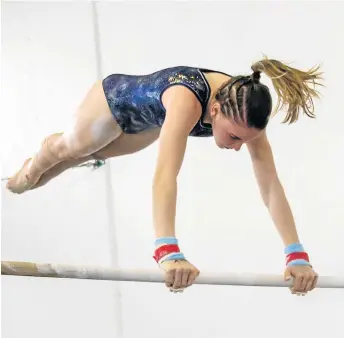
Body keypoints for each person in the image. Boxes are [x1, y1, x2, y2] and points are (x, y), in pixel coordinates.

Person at [6, 56, 323, 295]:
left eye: (245, 140)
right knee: (69, 149)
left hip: (146, 126)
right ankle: (29, 169)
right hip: (112, 103)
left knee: (87, 155)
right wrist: (167, 250)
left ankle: (37, 173)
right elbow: (165, 176)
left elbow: (270, 187)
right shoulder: (187, 101)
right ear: (214, 111)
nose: (239, 147)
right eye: (234, 138)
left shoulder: (243, 112)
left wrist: (297, 256)